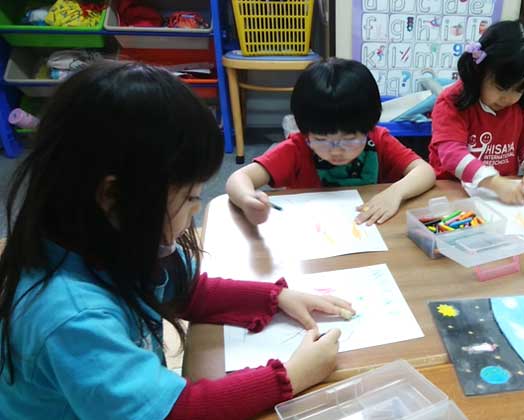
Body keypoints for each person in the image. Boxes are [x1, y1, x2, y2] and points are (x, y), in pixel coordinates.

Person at [0, 62, 354, 420]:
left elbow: (187, 290)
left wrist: (276, 297)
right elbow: (174, 413)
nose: (196, 210)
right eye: (189, 199)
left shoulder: (109, 237)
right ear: (113, 195)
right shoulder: (72, 317)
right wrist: (290, 377)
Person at [226, 58, 435, 226]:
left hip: (367, 231)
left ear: (368, 127)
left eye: (350, 139)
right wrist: (247, 199)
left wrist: (395, 193)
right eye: (321, 139)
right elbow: (239, 178)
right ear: (305, 132)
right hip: (313, 234)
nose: (337, 150)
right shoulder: (296, 149)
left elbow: (424, 171)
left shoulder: (378, 140)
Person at [429, 20, 524, 205]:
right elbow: (451, 153)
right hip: (452, 190)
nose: (508, 98)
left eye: (518, 90)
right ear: (480, 71)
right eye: (500, 88)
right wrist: (494, 182)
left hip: (503, 193)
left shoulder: (519, 105)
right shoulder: (453, 101)